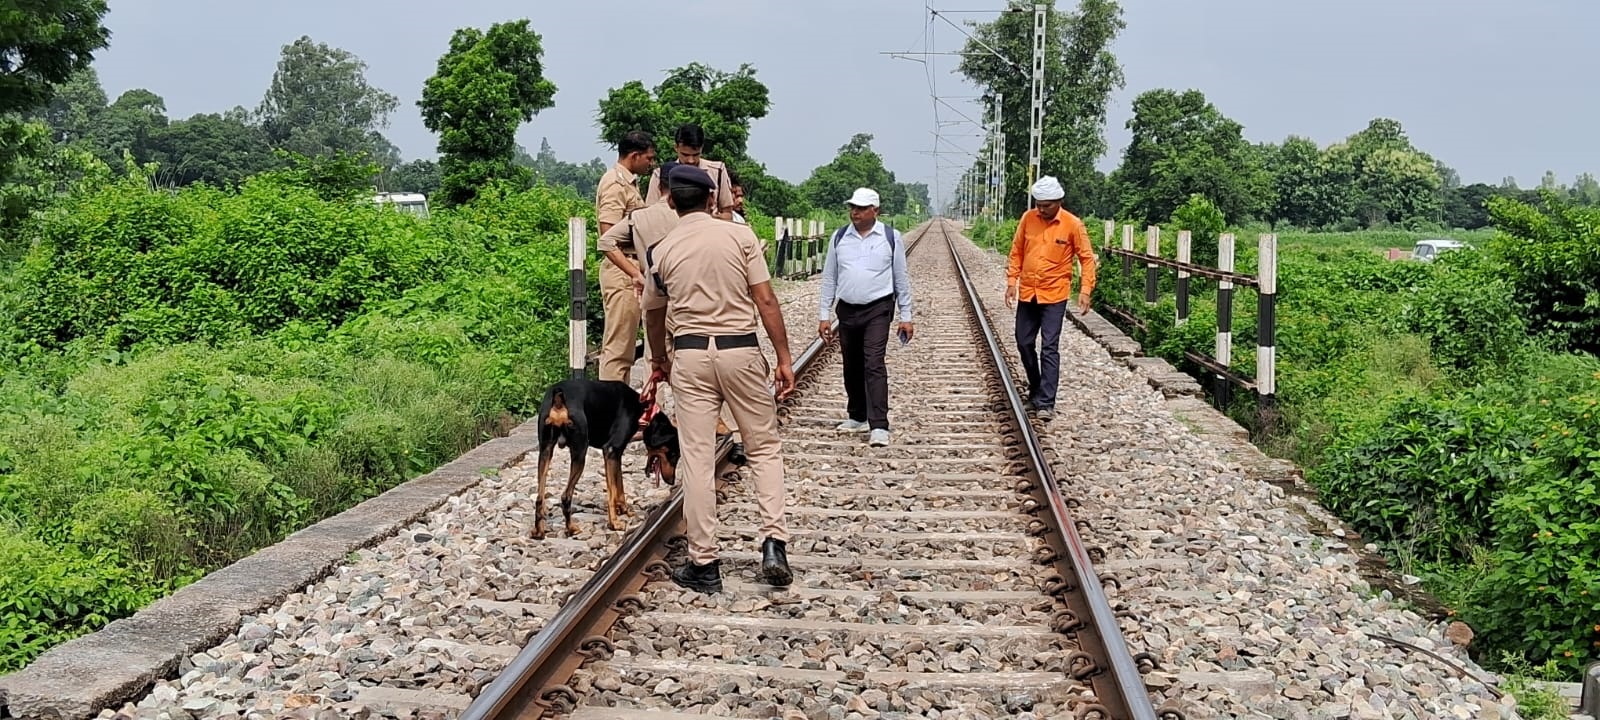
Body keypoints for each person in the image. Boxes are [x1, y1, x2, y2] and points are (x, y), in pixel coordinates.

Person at [641, 164, 796, 594]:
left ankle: (704, 564)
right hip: (741, 350)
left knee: (696, 457)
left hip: (690, 355)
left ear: (670, 200)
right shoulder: (741, 237)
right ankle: (773, 543)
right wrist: (783, 358)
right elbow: (765, 299)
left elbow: (652, 314)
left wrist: (658, 360)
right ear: (712, 200)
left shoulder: (660, 250)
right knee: (763, 446)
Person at [816, 187, 913, 448]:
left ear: (875, 211)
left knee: (873, 362)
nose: (854, 212)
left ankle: (879, 424)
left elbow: (901, 279)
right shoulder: (839, 238)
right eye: (852, 207)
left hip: (878, 308)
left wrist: (906, 315)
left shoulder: (890, 237)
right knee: (851, 364)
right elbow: (830, 278)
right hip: (847, 309)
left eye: (860, 208)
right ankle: (857, 415)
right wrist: (824, 314)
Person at [1003, 175, 1097, 421]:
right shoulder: (1028, 219)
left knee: (1049, 347)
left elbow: (1086, 258)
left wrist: (1085, 290)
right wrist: (1012, 281)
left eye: (1046, 205)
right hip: (1029, 292)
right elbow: (1017, 251)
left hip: (1055, 295)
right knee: (1023, 342)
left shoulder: (1072, 225)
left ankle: (1046, 401)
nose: (1041, 209)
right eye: (1038, 204)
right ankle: (1036, 386)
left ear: (1059, 201)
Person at [594, 130, 657, 382]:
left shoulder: (630, 183)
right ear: (634, 156)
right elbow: (607, 237)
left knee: (629, 345)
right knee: (619, 347)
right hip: (622, 270)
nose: (651, 163)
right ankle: (609, 408)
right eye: (648, 158)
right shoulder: (614, 184)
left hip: (633, 268)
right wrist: (633, 273)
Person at [644, 123, 736, 220]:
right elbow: (650, 212)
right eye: (685, 155)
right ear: (676, 147)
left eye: (696, 155)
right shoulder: (660, 174)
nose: (691, 160)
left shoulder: (718, 171)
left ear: (702, 148)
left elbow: (727, 213)